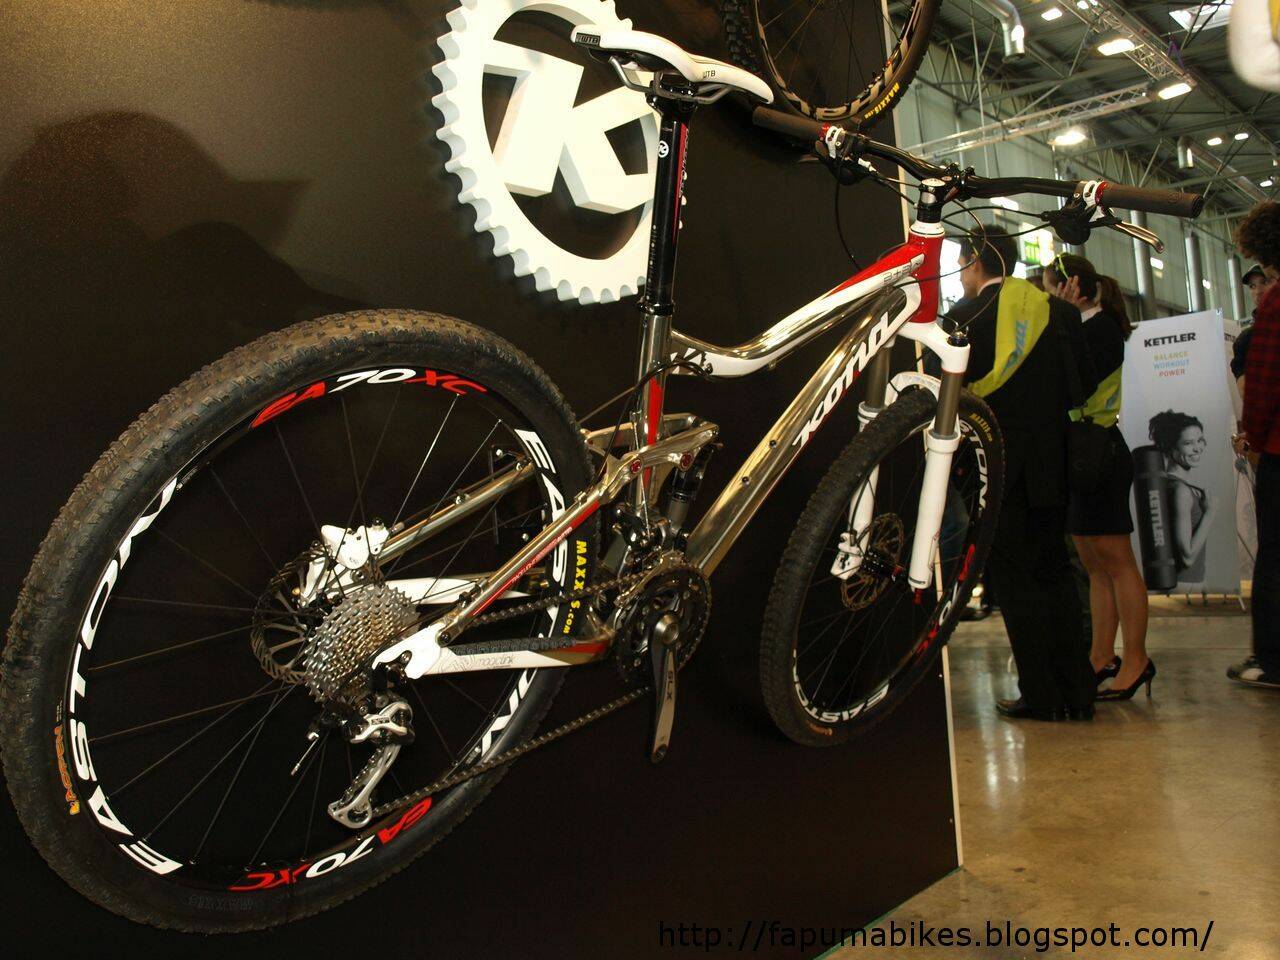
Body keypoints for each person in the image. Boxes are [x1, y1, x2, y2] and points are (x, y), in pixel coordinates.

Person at [947, 225, 1099, 721]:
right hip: (1055, 461)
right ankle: (1078, 691)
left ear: (974, 262)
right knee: (1056, 570)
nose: (962, 275)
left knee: (1015, 578)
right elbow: (1083, 385)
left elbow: (946, 397)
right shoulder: (1059, 312)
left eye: (962, 265)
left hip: (996, 464)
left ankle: (1041, 694)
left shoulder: (963, 317)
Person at [1043, 255, 1153, 700]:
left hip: (1101, 452)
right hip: (1080, 455)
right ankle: (1101, 655)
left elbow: (1078, 383)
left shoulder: (1102, 328)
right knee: (1094, 564)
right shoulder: (1081, 326)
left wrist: (1064, 322)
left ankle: (1136, 658)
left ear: (1071, 288)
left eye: (1051, 290)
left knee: (1117, 559)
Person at [1229, 201, 1280, 689]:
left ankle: (1273, 659)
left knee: (1275, 555)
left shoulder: (1276, 305)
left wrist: (1253, 437)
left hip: (1279, 448)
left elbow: (1263, 383)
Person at [1148, 410, 1217, 584]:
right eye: (1188, 443)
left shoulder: (1168, 484)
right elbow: (1187, 557)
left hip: (1184, 584)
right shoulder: (1181, 491)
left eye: (1200, 440)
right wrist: (1210, 513)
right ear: (1170, 447)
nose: (1197, 448)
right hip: (1185, 585)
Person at [1231, 264, 1277, 388]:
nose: (1258, 291)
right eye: (1252, 286)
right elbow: (1245, 391)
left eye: (1265, 282)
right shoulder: (1245, 340)